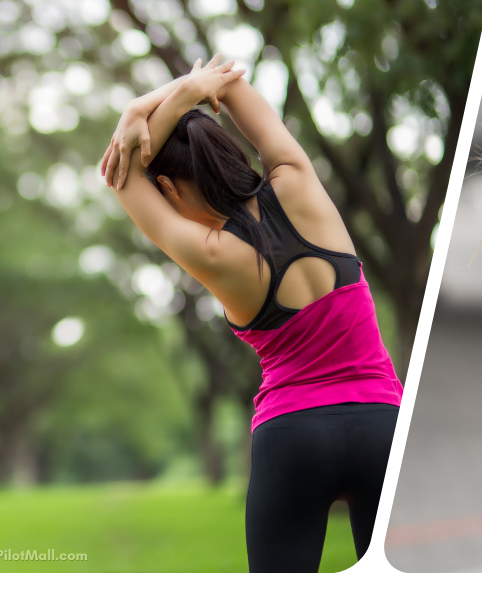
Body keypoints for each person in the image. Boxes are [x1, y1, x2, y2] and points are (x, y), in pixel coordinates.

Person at [100, 54, 404, 572]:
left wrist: (145, 107)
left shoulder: (215, 256)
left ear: (169, 189)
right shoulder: (297, 180)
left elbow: (119, 175)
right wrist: (185, 91)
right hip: (384, 421)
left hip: (293, 434)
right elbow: (230, 80)